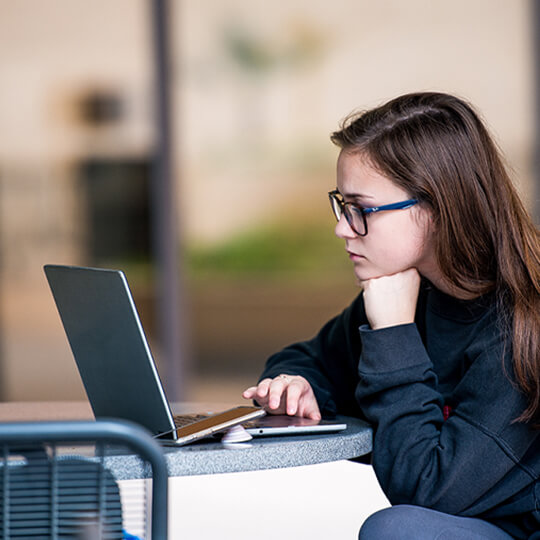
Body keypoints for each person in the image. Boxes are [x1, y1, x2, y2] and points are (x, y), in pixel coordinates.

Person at [242, 92, 540, 539]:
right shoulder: (411, 292)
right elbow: (308, 358)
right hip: (480, 524)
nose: (343, 228)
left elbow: (428, 488)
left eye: (362, 209)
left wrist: (395, 335)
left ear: (437, 209)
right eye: (343, 206)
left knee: (397, 531)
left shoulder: (521, 323)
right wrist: (299, 386)